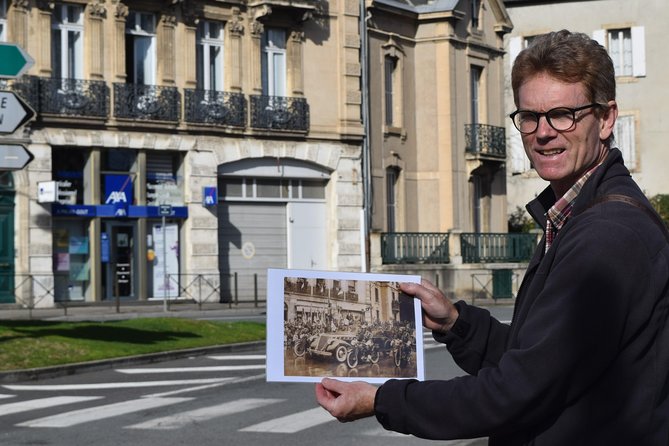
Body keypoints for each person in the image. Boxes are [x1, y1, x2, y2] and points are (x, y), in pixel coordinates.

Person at [315, 30, 669, 444]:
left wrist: (382, 401)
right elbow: (539, 361)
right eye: (530, 116)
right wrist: (456, 324)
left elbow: (518, 391)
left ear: (606, 118)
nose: (543, 132)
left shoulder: (607, 235)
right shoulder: (580, 214)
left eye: (562, 114)